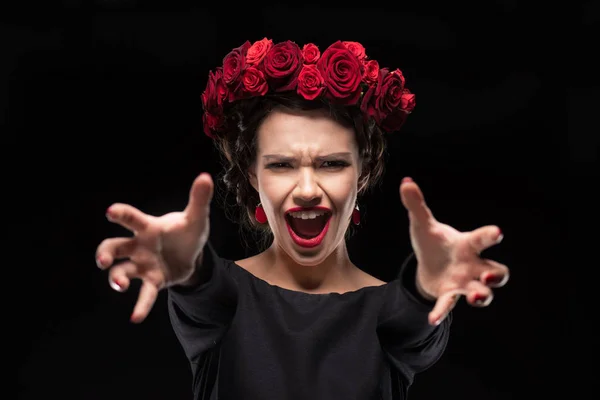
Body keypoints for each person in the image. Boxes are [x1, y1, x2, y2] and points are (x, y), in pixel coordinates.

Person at [95, 38, 510, 400]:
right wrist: (189, 270)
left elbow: (412, 320)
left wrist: (426, 287)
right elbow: (204, 294)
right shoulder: (225, 299)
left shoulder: (388, 313)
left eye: (331, 163)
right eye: (281, 165)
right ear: (252, 175)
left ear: (362, 174)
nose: (308, 189)